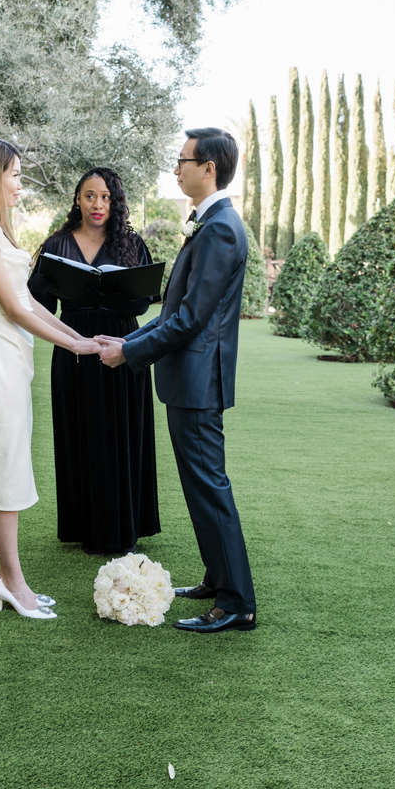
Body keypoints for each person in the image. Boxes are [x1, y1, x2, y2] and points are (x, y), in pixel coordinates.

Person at [96, 128, 257, 633]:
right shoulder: (209, 225)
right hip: (187, 379)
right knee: (199, 485)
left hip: (197, 381)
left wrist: (129, 352)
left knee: (210, 487)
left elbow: (190, 320)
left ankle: (236, 604)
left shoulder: (222, 229)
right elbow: (176, 312)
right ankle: (217, 576)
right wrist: (130, 340)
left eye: (182, 160)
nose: (176, 168)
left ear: (208, 167)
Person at [0, 138, 102, 620]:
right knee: (8, 471)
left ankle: (10, 578)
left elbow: (32, 303)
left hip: (16, 357)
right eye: (14, 174)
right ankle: (13, 583)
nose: (21, 183)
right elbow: (15, 309)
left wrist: (80, 335)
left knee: (14, 464)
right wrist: (76, 347)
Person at [28, 167, 161, 557]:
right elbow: (37, 303)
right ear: (77, 200)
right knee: (79, 434)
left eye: (105, 197)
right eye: (89, 196)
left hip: (123, 343)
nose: (97, 204)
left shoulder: (131, 244)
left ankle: (125, 525)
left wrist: (119, 291)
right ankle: (84, 525)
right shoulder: (55, 244)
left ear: (115, 202)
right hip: (73, 348)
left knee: (122, 433)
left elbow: (144, 300)